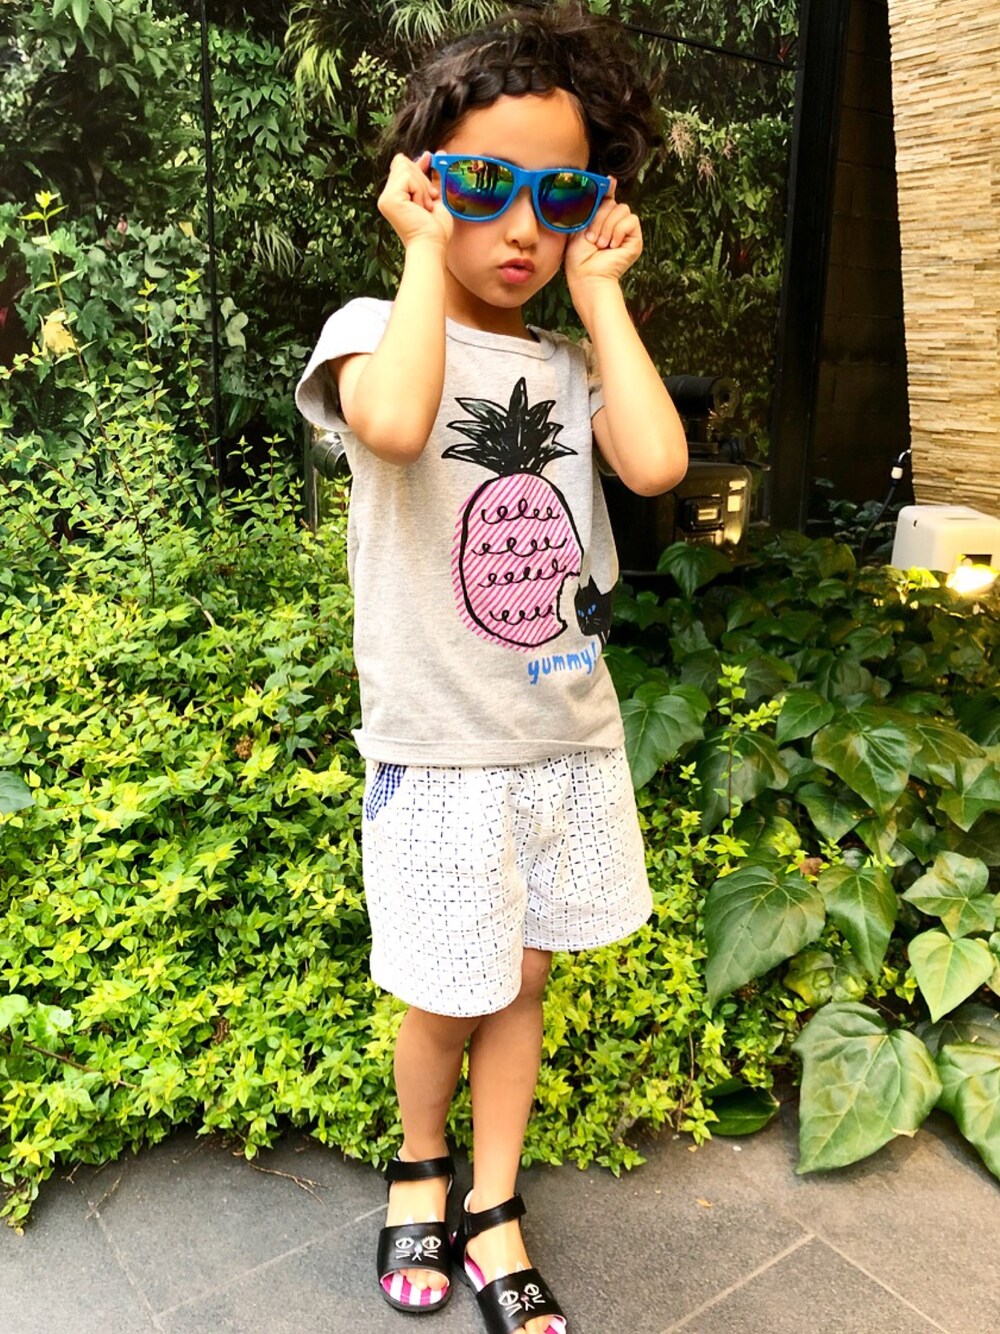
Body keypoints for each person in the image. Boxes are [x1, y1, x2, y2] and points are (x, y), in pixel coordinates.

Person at [296, 4, 687, 1330]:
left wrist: (602, 292)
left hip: (563, 733)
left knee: (522, 980)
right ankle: (422, 1165)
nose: (521, 226)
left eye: (557, 195)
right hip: (440, 742)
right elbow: (400, 424)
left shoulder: (572, 362)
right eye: (480, 184)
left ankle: (496, 1199)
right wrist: (420, 252)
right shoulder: (371, 327)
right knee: (442, 991)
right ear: (422, 183)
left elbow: (657, 465)